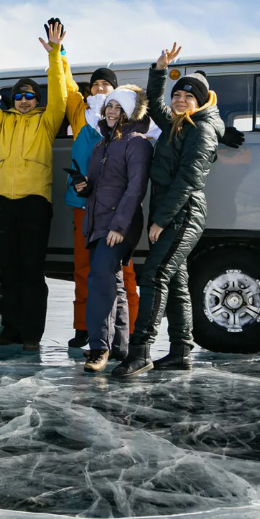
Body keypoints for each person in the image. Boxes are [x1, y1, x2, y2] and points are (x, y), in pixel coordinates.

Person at [112, 44, 225, 377]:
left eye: (189, 97)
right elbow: (155, 100)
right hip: (171, 213)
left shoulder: (201, 131)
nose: (181, 100)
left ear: (201, 102)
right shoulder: (177, 123)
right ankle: (181, 353)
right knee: (175, 283)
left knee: (154, 276)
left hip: (182, 214)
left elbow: (188, 180)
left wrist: (161, 219)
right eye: (178, 95)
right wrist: (160, 69)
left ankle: (141, 352)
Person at [0, 23, 68, 351]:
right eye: (20, 96)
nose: (24, 100)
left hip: (35, 202)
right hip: (5, 204)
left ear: (37, 100)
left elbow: (60, 94)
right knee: (8, 270)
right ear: (13, 99)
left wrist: (54, 55)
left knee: (31, 271)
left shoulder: (47, 120)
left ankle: (31, 335)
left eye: (30, 96)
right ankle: (9, 330)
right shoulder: (3, 121)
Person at [55, 24, 143, 351]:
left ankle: (130, 329)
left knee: (123, 272)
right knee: (84, 270)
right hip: (83, 206)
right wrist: (59, 52)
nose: (100, 89)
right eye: (95, 85)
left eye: (106, 85)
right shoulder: (81, 117)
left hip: (116, 211)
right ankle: (83, 328)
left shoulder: (129, 127)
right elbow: (65, 84)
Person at [76, 87, 153, 371]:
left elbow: (136, 188)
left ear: (129, 112)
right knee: (113, 282)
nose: (111, 111)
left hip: (120, 224)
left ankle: (98, 349)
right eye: (109, 106)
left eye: (118, 108)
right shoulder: (101, 145)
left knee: (99, 279)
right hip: (98, 224)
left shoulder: (137, 143)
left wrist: (120, 226)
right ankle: (119, 346)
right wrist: (84, 187)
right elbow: (101, 186)